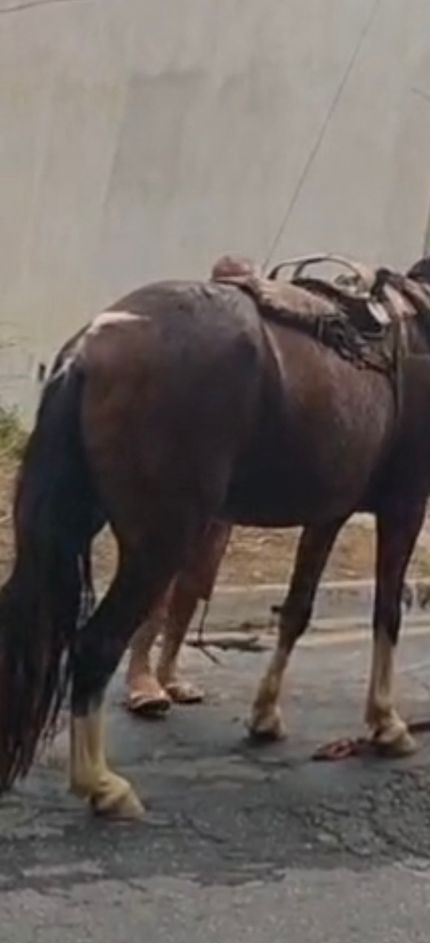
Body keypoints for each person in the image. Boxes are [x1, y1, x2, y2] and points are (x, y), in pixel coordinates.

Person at [124, 252, 255, 715]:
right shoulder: (187, 340)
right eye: (230, 288)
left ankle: (169, 665)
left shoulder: (253, 353)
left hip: (223, 487)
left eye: (246, 289)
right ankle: (139, 669)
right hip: (177, 481)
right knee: (160, 571)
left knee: (198, 577)